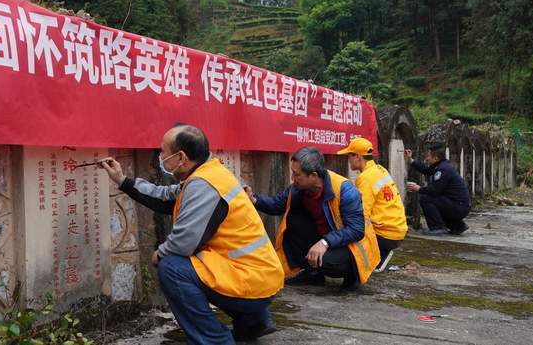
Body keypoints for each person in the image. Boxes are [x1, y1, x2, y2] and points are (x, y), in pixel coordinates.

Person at [101, 124, 284, 344]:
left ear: (181, 157)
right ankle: (253, 323)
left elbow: (184, 242)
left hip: (252, 282)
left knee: (171, 267)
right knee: (192, 264)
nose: (160, 156)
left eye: (163, 152)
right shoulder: (208, 174)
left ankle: (215, 340)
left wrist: (160, 252)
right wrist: (123, 181)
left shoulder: (204, 185)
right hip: (261, 277)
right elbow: (166, 197)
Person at [244, 147, 379, 292]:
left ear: (313, 175)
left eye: (296, 174)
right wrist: (254, 199)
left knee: (326, 262)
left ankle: (352, 275)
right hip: (327, 238)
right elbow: (277, 205)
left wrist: (325, 242)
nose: (292, 178)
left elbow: (356, 230)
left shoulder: (345, 191)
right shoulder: (297, 189)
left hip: (352, 246)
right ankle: (313, 275)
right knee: (293, 220)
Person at [337, 137, 408, 272]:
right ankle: (381, 252)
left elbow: (361, 213)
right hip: (397, 230)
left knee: (347, 235)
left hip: (385, 234)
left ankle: (376, 255)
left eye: (349, 156)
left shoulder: (365, 178)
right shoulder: (380, 169)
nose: (348, 159)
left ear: (357, 156)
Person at [404, 143, 471, 235]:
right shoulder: (442, 165)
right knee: (438, 201)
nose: (426, 159)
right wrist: (411, 160)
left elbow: (434, 191)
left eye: (428, 156)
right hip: (460, 205)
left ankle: (437, 228)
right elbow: (427, 171)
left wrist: (418, 188)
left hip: (458, 206)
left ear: (435, 158)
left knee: (426, 199)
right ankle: (457, 226)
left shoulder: (443, 169)